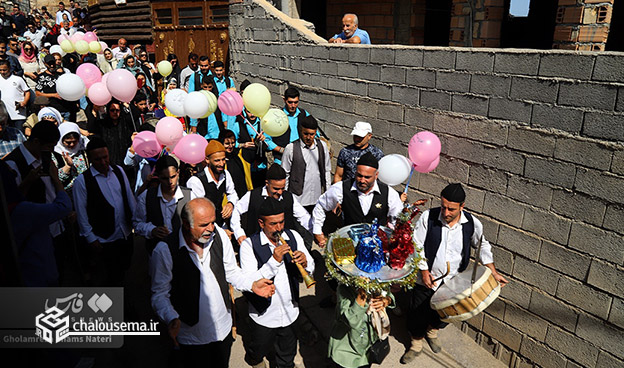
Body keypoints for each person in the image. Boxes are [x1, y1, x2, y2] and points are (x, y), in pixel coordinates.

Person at [150, 197, 276, 368]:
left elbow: (231, 272)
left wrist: (252, 285)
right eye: (203, 225)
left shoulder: (218, 236)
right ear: (186, 224)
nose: (210, 229)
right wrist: (171, 317)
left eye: (213, 222)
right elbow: (159, 294)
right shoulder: (164, 251)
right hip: (190, 338)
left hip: (222, 332)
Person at [401, 183, 509, 363]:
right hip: (427, 278)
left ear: (462, 207)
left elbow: (482, 245)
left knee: (446, 314)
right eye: (443, 207)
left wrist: (493, 272)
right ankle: (416, 344)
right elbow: (416, 244)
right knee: (417, 313)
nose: (446, 212)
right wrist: (425, 271)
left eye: (451, 209)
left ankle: (432, 332)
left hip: (454, 282)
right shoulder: (428, 217)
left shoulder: (472, 223)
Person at [240, 197, 314, 368]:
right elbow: (250, 281)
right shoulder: (249, 245)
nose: (279, 228)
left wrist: (305, 262)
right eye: (273, 224)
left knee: (286, 356)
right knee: (258, 350)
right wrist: (274, 260)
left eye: (281, 222)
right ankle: (254, 359)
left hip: (290, 312)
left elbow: (311, 266)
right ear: (261, 223)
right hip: (264, 316)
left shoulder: (293, 236)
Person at [72, 136, 136, 286]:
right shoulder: (82, 181)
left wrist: (135, 222)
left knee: (124, 270)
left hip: (125, 234)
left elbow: (129, 198)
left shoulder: (119, 171)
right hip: (104, 239)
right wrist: (91, 238)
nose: (103, 162)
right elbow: (81, 213)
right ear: (90, 160)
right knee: (110, 276)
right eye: (97, 159)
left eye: (105, 157)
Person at [3, 158, 71, 287]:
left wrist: (27, 182)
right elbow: (63, 207)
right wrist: (56, 178)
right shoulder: (23, 211)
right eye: (12, 175)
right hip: (37, 278)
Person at [312, 152, 404, 247]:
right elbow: (321, 206)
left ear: (376, 175)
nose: (362, 180)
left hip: (377, 247)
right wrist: (317, 231)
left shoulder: (389, 193)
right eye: (359, 176)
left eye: (367, 177)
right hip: (349, 243)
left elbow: (397, 219)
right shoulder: (341, 188)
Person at [232, 164, 311, 245]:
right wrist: (239, 234)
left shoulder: (288, 197)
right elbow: (236, 211)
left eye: (282, 188)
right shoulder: (253, 196)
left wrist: (315, 231)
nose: (280, 192)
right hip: (257, 244)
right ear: (267, 183)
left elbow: (303, 216)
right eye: (276, 188)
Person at [134, 155, 194, 254]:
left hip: (184, 253)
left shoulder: (190, 196)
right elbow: (137, 224)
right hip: (156, 252)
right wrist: (151, 230)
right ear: (158, 176)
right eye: (165, 178)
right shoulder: (146, 196)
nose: (170, 182)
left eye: (173, 177)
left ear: (178, 173)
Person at [328, 285, 393, 368]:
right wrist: (360, 301)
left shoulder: (377, 283)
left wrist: (387, 300)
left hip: (368, 347)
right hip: (347, 350)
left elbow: (389, 295)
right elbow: (351, 321)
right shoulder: (344, 289)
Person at [281, 115, 331, 213]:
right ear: (300, 131)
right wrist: (285, 197)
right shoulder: (291, 148)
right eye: (305, 134)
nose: (308, 137)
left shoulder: (322, 146)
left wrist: (327, 193)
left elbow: (326, 170)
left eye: (312, 134)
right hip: (298, 199)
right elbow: (285, 174)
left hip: (316, 199)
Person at [187, 140, 238, 227]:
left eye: (223, 159)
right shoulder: (196, 181)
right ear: (207, 160)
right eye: (217, 161)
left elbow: (232, 193)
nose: (221, 164)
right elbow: (199, 211)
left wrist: (231, 204)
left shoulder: (225, 174)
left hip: (221, 224)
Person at [36, 54, 75, 122]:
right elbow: (37, 93)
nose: (52, 65)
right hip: (52, 110)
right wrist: (54, 95)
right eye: (49, 63)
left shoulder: (61, 75)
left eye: (53, 63)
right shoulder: (41, 77)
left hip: (66, 108)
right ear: (45, 64)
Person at [51, 121, 89, 192]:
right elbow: (55, 179)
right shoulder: (56, 153)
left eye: (75, 141)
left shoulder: (83, 150)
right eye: (68, 142)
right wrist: (68, 166)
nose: (72, 145)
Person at [219, 129, 251, 199]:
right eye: (227, 144)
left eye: (233, 143)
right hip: (228, 198)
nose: (230, 146)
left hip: (243, 194)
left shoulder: (239, 154)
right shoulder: (219, 160)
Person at [0, 59, 31, 129]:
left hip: (18, 114)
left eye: (4, 70)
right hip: (4, 116)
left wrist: (24, 102)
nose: (2, 72)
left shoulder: (18, 79)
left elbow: (27, 92)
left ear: (9, 68)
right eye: (0, 70)